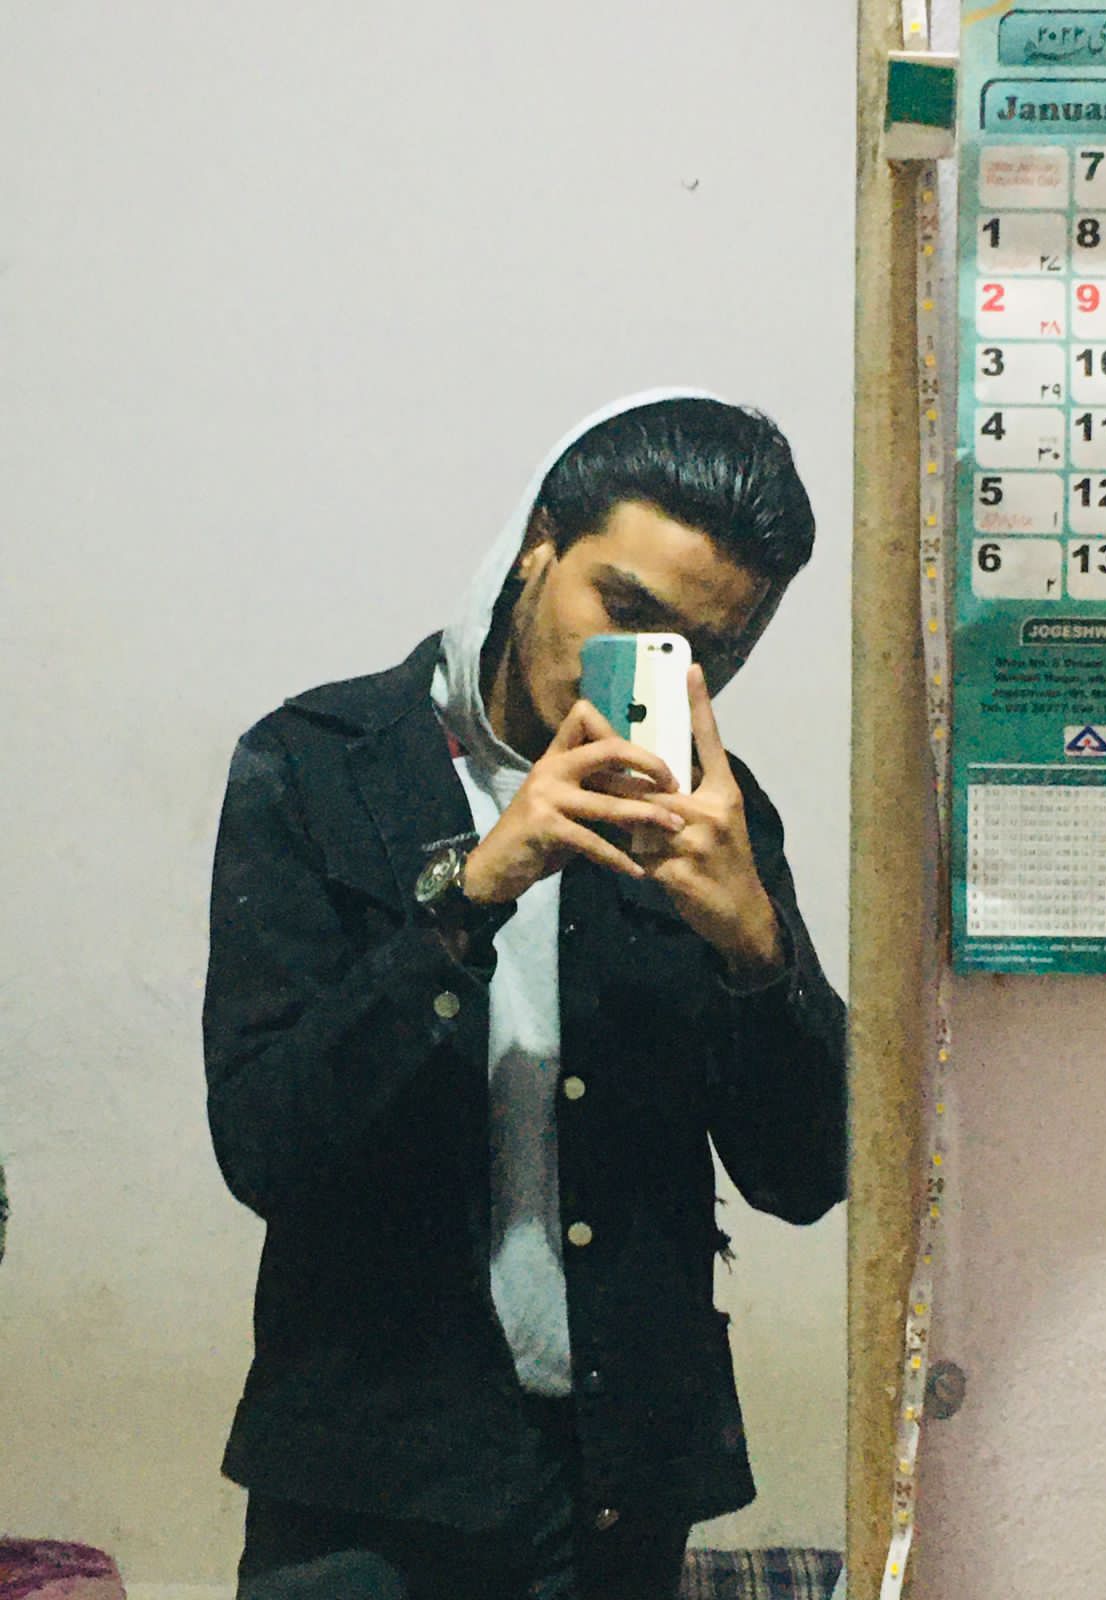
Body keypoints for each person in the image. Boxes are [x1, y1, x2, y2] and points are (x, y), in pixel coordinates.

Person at [203, 389, 847, 1600]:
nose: (653, 669)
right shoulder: (317, 765)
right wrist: (472, 893)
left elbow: (807, 1174)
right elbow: (265, 1144)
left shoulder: (715, 819)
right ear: (536, 547)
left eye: (706, 650)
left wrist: (758, 951)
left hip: (615, 1485)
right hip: (362, 1480)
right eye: (626, 611)